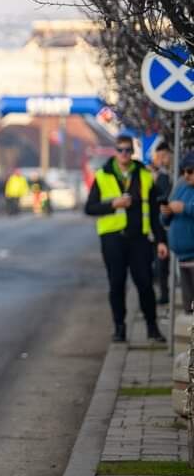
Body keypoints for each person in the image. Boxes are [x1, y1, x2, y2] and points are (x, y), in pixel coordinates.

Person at [85, 134, 168, 343]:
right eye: (120, 150)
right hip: (112, 239)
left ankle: (152, 328)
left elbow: (156, 210)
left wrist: (160, 240)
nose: (124, 154)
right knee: (116, 284)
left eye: (128, 150)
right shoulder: (103, 175)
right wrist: (113, 204)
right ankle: (120, 328)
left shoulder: (144, 174)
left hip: (139, 239)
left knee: (145, 283)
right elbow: (90, 208)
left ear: (132, 152)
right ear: (115, 151)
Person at [162, 151, 194, 314]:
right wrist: (166, 213)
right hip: (182, 257)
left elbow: (187, 209)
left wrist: (185, 208)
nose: (186, 175)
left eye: (190, 171)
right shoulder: (181, 187)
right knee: (189, 307)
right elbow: (165, 220)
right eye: (184, 171)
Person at [152, 142, 173, 305]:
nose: (161, 160)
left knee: (164, 262)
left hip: (170, 225)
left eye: (164, 156)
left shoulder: (168, 176)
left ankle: (165, 294)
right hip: (160, 225)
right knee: (161, 263)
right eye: (159, 156)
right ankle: (164, 293)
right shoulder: (158, 175)